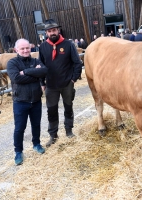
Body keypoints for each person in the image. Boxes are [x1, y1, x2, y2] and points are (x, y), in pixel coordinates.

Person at [39, 19, 82, 147]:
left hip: (66, 84)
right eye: (49, 31)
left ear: (58, 30)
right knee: (51, 111)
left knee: (68, 107)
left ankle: (69, 130)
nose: (52, 33)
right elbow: (40, 66)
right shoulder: (42, 47)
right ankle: (53, 135)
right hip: (51, 86)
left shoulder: (68, 44)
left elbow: (77, 63)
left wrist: (73, 79)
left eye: (54, 30)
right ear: (46, 33)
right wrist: (42, 82)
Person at [7, 38, 47, 165]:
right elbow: (16, 78)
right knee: (19, 128)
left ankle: (37, 144)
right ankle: (18, 151)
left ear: (30, 48)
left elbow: (44, 71)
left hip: (35, 100)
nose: (25, 50)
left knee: (36, 124)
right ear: (16, 50)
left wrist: (26, 72)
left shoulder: (35, 60)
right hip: (20, 101)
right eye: (22, 48)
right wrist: (35, 75)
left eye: (27, 48)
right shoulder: (12, 63)